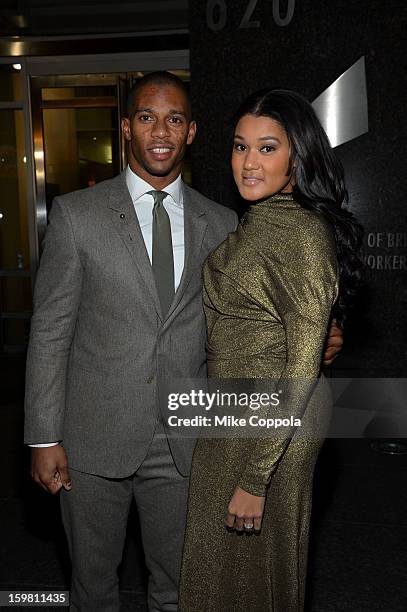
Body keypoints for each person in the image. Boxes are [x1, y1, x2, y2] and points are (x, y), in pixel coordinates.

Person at [24, 74, 343, 612]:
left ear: (191, 132)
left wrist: (321, 335)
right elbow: (50, 330)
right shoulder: (76, 216)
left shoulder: (223, 222)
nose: (160, 131)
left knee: (180, 588)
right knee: (91, 585)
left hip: (188, 440)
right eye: (147, 117)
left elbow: (261, 309)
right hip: (92, 435)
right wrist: (41, 435)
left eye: (174, 119)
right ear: (126, 127)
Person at [179, 89, 362, 612]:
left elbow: (303, 361)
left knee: (250, 574)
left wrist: (257, 476)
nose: (248, 162)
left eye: (266, 148)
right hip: (240, 409)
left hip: (271, 421)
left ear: (296, 157)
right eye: (240, 147)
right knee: (233, 574)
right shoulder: (265, 219)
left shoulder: (298, 230)